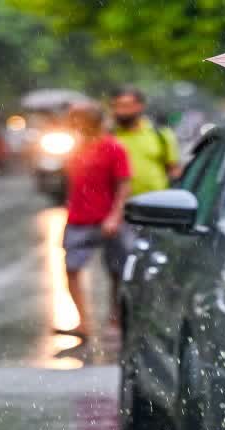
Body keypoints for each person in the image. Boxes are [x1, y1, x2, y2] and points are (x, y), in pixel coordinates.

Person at [60, 101, 131, 339]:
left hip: (107, 220)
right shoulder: (75, 147)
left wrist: (115, 216)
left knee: (117, 271)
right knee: (71, 268)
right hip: (79, 218)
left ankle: (115, 320)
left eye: (80, 119)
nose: (76, 124)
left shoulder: (114, 148)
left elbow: (124, 185)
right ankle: (83, 323)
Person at [109, 85, 180, 196]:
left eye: (125, 106)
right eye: (115, 106)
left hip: (156, 201)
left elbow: (173, 170)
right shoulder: (107, 136)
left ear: (140, 106)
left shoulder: (160, 134)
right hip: (117, 203)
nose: (120, 111)